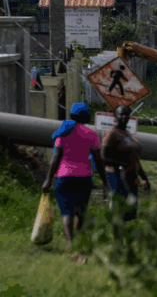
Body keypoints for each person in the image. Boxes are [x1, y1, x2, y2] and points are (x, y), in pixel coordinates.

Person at [42, 103, 108, 262]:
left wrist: (48, 179)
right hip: (84, 177)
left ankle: (71, 246)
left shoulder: (63, 132)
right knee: (80, 212)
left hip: (64, 177)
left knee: (67, 212)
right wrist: (106, 181)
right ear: (87, 117)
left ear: (71, 116)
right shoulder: (92, 134)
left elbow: (56, 157)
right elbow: (98, 160)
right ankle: (78, 246)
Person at [101, 105, 150, 235]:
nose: (123, 117)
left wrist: (144, 178)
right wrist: (122, 165)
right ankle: (118, 243)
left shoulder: (127, 133)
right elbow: (103, 157)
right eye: (120, 114)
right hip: (117, 177)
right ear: (115, 117)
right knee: (119, 211)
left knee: (130, 212)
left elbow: (135, 160)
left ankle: (124, 240)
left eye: (126, 114)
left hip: (131, 177)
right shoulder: (112, 133)